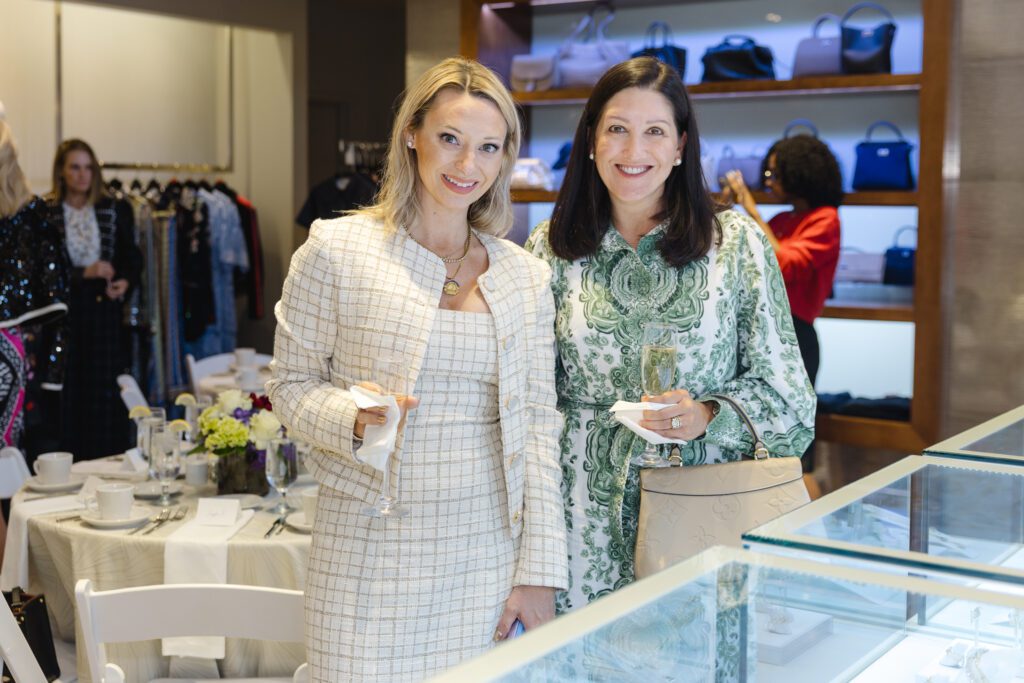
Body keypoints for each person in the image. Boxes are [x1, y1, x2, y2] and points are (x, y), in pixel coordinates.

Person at [267, 57, 567, 681]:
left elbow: (539, 426)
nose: (467, 166)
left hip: (486, 553)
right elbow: (289, 386)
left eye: (487, 147)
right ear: (412, 134)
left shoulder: (523, 275)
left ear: (505, 157)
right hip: (367, 556)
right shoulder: (338, 249)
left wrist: (539, 573)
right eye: (450, 140)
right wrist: (353, 418)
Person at [525, 57, 816, 613]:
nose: (634, 152)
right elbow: (528, 405)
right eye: (617, 129)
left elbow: (792, 403)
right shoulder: (549, 248)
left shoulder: (735, 244)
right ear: (591, 140)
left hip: (702, 523)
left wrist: (709, 414)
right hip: (575, 532)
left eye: (655, 132)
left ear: (681, 145)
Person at [721, 134, 843, 497]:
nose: (769, 180)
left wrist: (751, 210)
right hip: (763, 333)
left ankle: (804, 532)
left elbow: (784, 264)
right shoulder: (783, 219)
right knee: (759, 439)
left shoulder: (826, 220)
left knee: (792, 446)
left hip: (796, 337)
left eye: (775, 172)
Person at [0, 119, 70, 566]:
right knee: (6, 464)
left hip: (7, 351)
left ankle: (11, 592)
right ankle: (12, 589)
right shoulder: (29, 211)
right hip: (10, 347)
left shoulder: (30, 214)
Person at [48, 139, 141, 461]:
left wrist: (125, 281)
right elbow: (42, 272)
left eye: (88, 167)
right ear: (62, 171)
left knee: (105, 395)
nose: (82, 175)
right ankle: (70, 467)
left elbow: (133, 259)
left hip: (106, 316)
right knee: (70, 395)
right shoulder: (47, 213)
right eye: (74, 167)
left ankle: (108, 465)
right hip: (65, 318)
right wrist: (81, 273)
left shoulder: (115, 208)